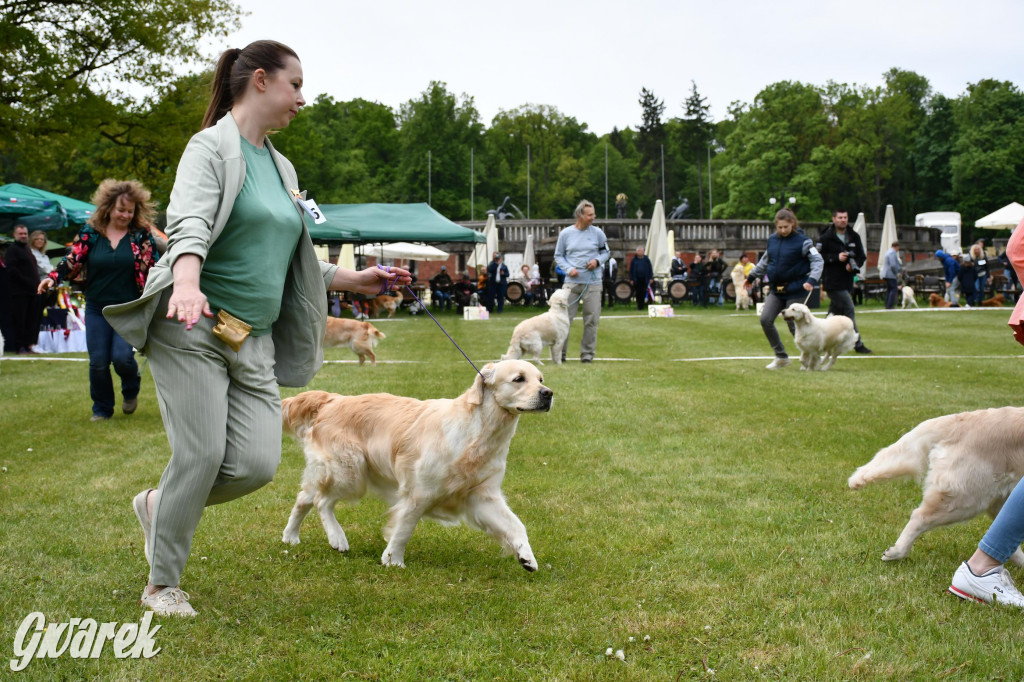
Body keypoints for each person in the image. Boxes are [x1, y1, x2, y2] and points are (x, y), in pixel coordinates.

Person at [101, 40, 411, 616]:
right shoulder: (209, 150)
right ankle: (161, 584)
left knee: (256, 465)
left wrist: (356, 279)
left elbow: (285, 256)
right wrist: (187, 282)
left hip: (250, 337)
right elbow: (189, 224)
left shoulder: (281, 166)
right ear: (262, 81)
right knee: (200, 456)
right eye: (296, 84)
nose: (302, 98)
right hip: (190, 324)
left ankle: (157, 505)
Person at [38, 181, 160, 418]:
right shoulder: (91, 232)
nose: (125, 215)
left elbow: (154, 267)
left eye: (130, 211)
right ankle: (102, 409)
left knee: (122, 358)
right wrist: (53, 278)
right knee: (98, 362)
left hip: (128, 308)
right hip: (97, 307)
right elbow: (72, 259)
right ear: (108, 207)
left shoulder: (140, 235)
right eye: (120, 209)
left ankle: (130, 389)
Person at [746, 208, 824, 369]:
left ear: (792, 224)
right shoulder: (772, 240)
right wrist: (751, 277)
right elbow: (765, 261)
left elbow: (818, 261)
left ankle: (810, 358)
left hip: (796, 289)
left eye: (786, 227)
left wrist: (812, 280)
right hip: (776, 289)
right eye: (780, 227)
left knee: (793, 324)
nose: (782, 230)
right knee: (765, 320)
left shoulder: (804, 241)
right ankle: (781, 357)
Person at [554, 199, 609, 363]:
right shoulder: (565, 234)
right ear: (580, 215)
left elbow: (606, 253)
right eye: (590, 215)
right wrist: (568, 269)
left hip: (593, 283)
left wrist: (597, 261)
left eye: (594, 214)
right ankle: (560, 355)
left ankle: (587, 355)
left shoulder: (598, 233)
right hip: (571, 283)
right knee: (563, 319)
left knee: (591, 320)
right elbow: (558, 256)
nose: (593, 217)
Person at [818, 210, 872, 352]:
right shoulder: (825, 237)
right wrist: (836, 257)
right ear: (834, 219)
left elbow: (862, 256)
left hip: (847, 281)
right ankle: (857, 344)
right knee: (849, 309)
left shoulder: (854, 236)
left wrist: (853, 265)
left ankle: (820, 339)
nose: (843, 220)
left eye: (845, 217)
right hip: (832, 282)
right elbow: (817, 256)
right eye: (840, 217)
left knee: (833, 314)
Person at [7, 224, 40, 354]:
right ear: (14, 235)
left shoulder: (27, 249)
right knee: (20, 319)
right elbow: (12, 270)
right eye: (20, 233)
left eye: (25, 233)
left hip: (32, 291)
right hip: (19, 292)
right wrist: (28, 282)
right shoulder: (12, 249)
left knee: (31, 320)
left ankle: (28, 345)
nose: (23, 236)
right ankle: (20, 346)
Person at [628, 246, 653, 310]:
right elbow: (631, 270)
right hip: (636, 279)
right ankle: (639, 305)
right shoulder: (634, 260)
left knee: (644, 292)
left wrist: (651, 277)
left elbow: (650, 269)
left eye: (642, 251)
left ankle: (643, 304)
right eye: (639, 251)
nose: (640, 252)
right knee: (638, 293)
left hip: (645, 279)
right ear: (637, 252)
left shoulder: (646, 259)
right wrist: (631, 279)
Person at [968, 243, 990, 307]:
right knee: (976, 288)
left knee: (982, 288)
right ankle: (975, 300)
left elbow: (987, 267)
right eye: (975, 249)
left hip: (983, 274)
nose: (977, 251)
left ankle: (980, 301)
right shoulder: (971, 257)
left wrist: (988, 276)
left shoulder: (983, 256)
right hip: (975, 275)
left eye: (978, 249)